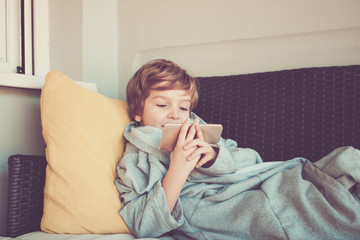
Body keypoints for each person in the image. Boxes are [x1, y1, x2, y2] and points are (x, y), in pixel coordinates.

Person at [115, 59, 360, 240]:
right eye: (161, 104)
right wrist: (178, 170)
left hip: (259, 181)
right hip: (229, 207)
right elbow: (143, 223)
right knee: (309, 207)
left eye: (183, 108)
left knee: (343, 162)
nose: (174, 114)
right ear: (137, 112)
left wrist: (214, 157)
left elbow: (251, 159)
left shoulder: (200, 130)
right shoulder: (135, 161)